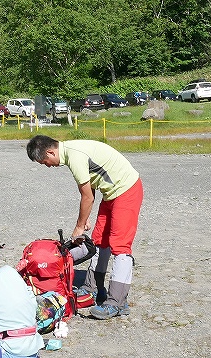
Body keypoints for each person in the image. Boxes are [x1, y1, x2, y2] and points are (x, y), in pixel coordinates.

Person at [26, 135, 143, 320]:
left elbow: (87, 197)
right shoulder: (71, 153)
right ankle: (93, 289)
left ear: (50, 152)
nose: (47, 166)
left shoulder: (75, 156)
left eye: (45, 162)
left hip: (126, 190)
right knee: (99, 241)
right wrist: (85, 218)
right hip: (111, 194)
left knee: (120, 246)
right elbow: (90, 187)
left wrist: (80, 226)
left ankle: (117, 302)